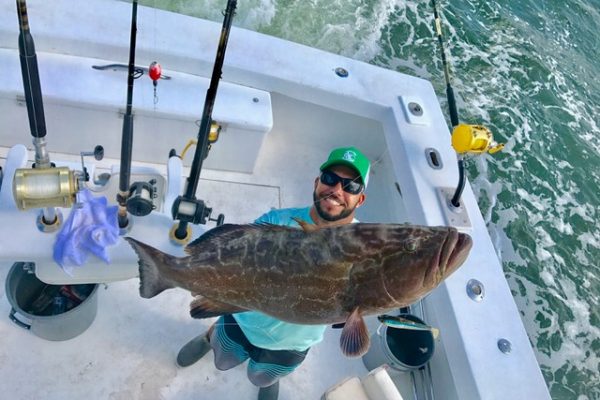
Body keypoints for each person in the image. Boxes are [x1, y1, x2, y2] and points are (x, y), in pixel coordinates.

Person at [176, 146, 371, 400]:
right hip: (241, 320)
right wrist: (205, 274)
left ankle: (267, 381)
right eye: (330, 179)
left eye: (351, 187)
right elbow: (235, 249)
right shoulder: (278, 220)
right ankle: (208, 337)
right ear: (317, 182)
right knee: (222, 360)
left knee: (262, 376)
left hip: (292, 344)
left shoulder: (368, 244)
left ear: (360, 199)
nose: (336, 190)